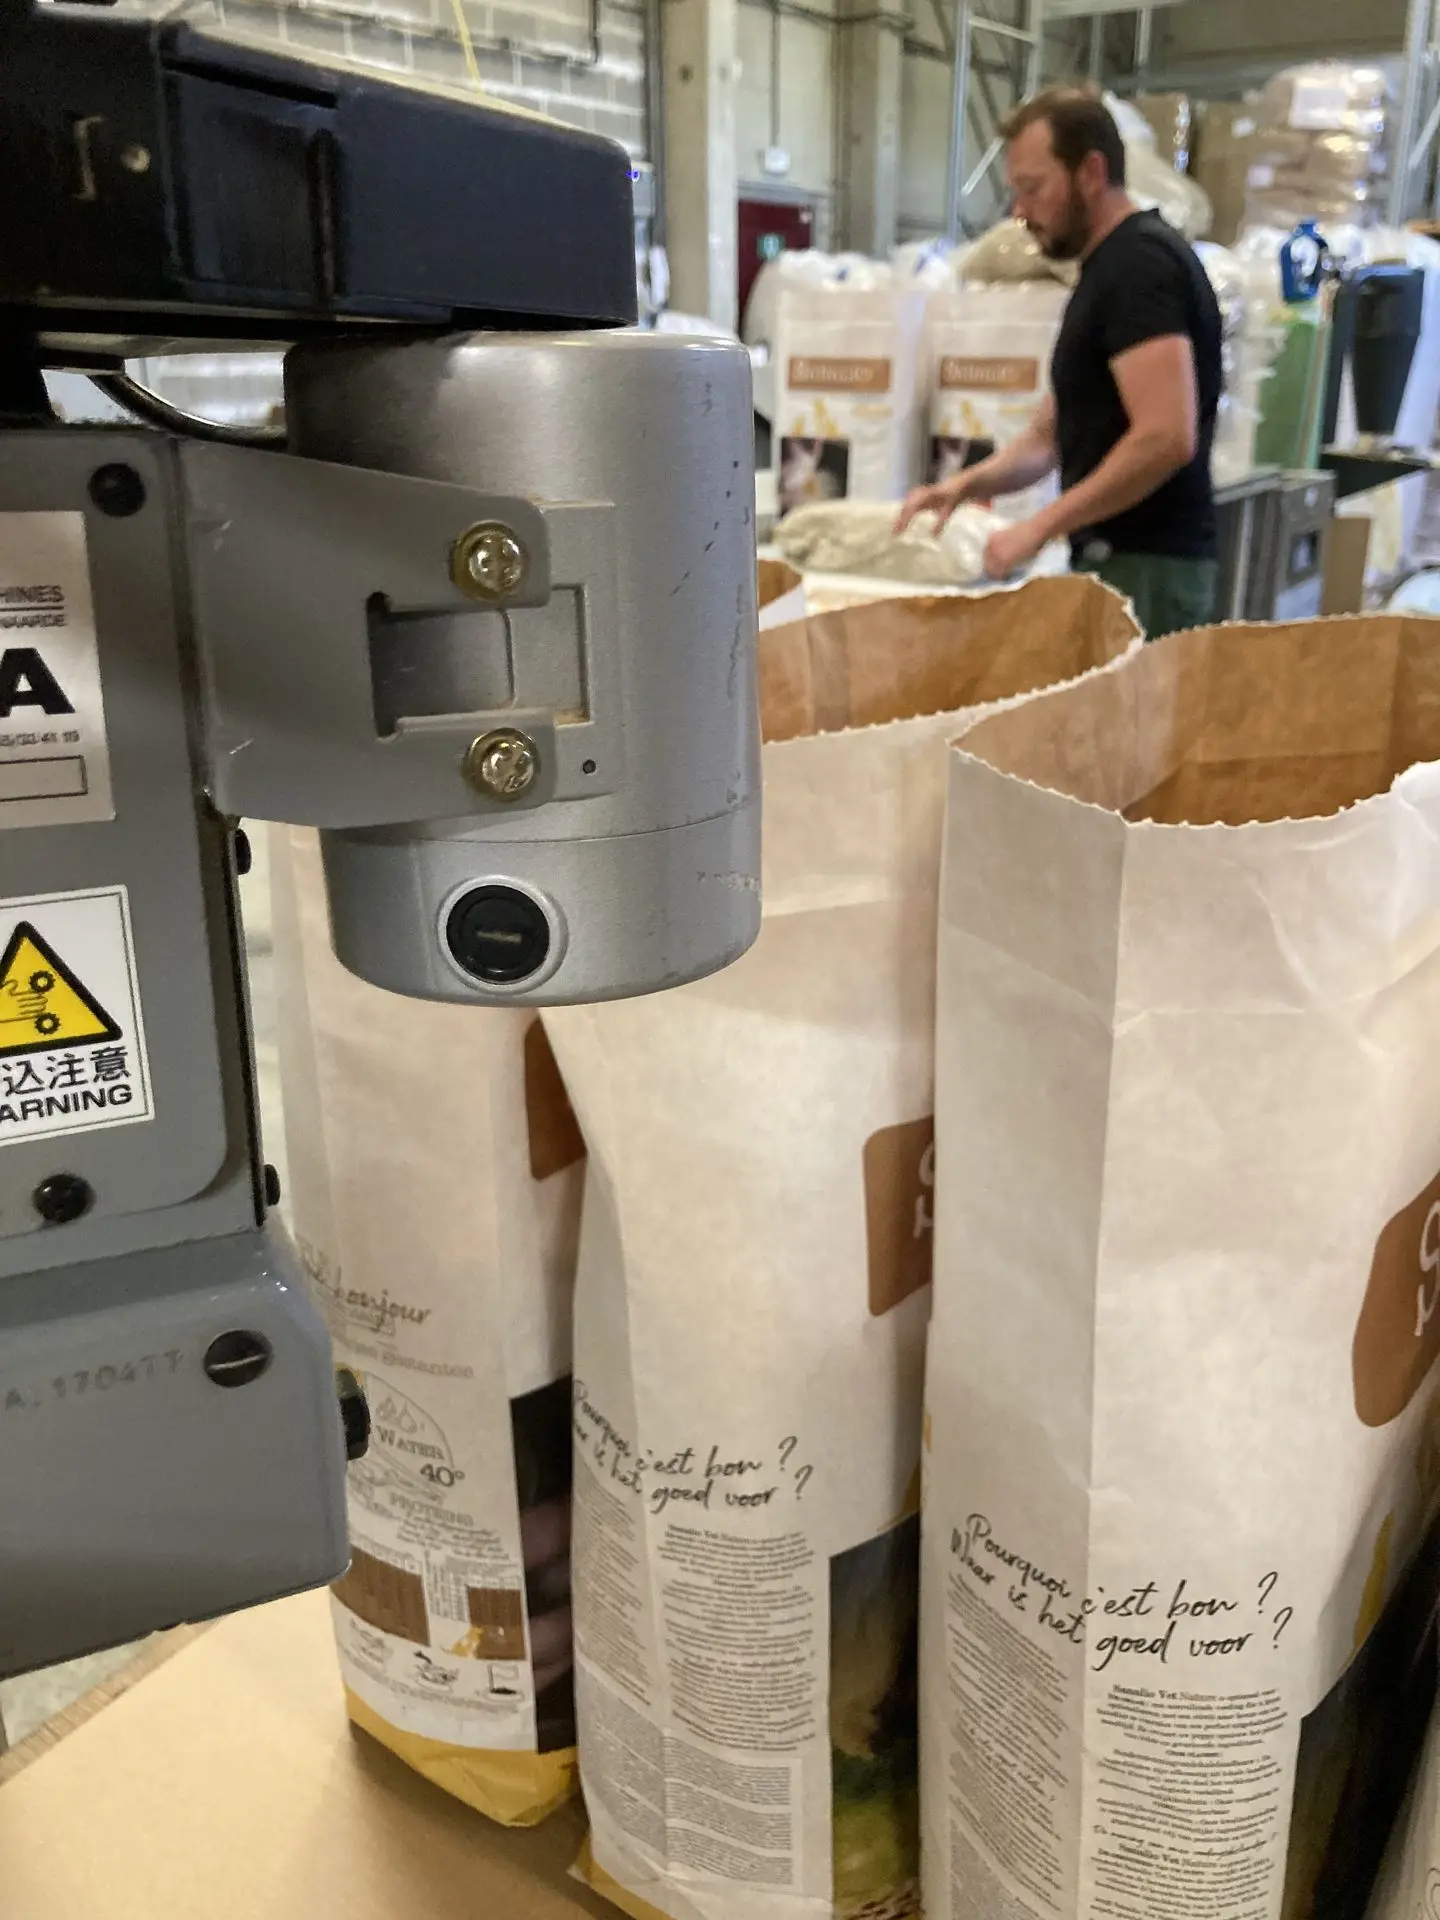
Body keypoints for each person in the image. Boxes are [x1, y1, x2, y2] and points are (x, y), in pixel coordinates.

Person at [897, 87, 1224, 639]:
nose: (1020, 212)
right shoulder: (1105, 271)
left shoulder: (1138, 266)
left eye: (1033, 188)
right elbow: (1048, 438)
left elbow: (1167, 436)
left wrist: (1039, 527)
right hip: (1118, 562)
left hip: (1147, 568)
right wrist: (962, 486)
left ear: (1091, 172)